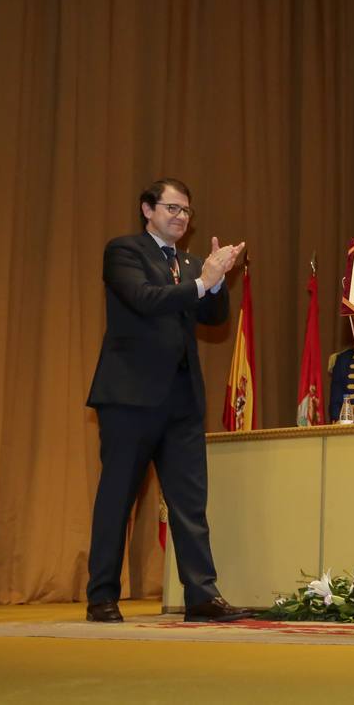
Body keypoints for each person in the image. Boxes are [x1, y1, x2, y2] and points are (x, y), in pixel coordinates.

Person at [84, 178, 253, 624]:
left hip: (181, 401)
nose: (181, 218)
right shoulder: (123, 252)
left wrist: (215, 284)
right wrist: (203, 282)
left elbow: (214, 319)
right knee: (118, 497)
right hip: (129, 398)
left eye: (186, 212)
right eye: (172, 209)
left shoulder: (192, 263)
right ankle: (102, 595)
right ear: (147, 209)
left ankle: (201, 595)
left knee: (190, 502)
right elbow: (144, 299)